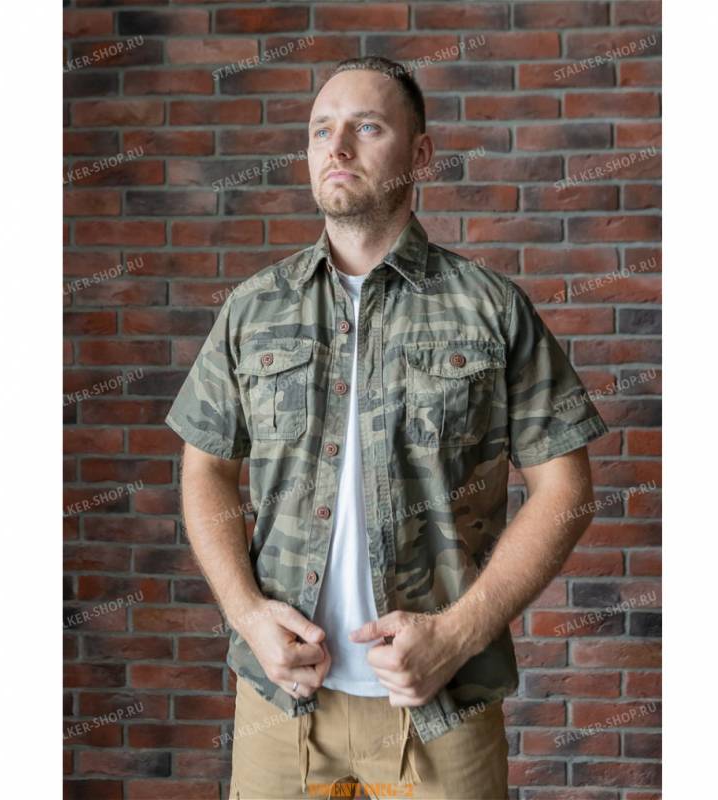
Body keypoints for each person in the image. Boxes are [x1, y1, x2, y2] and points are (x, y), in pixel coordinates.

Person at [165, 55, 609, 800]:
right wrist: (246, 616)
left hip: (442, 707)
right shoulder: (252, 309)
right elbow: (205, 466)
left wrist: (458, 634)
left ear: (421, 154)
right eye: (321, 130)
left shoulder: (492, 309)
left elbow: (565, 487)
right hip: (281, 707)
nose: (336, 148)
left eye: (366, 127)